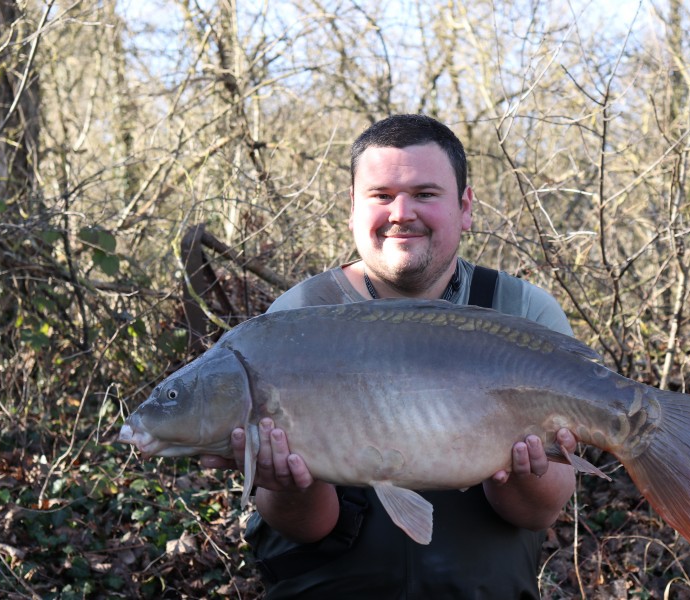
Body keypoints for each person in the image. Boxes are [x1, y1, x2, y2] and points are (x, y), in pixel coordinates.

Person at [202, 114, 584, 598]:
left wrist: (517, 467)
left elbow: (538, 513)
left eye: (425, 194)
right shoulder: (296, 319)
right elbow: (305, 528)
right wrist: (286, 481)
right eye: (381, 196)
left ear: (465, 207)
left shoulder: (523, 312)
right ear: (353, 208)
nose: (402, 213)